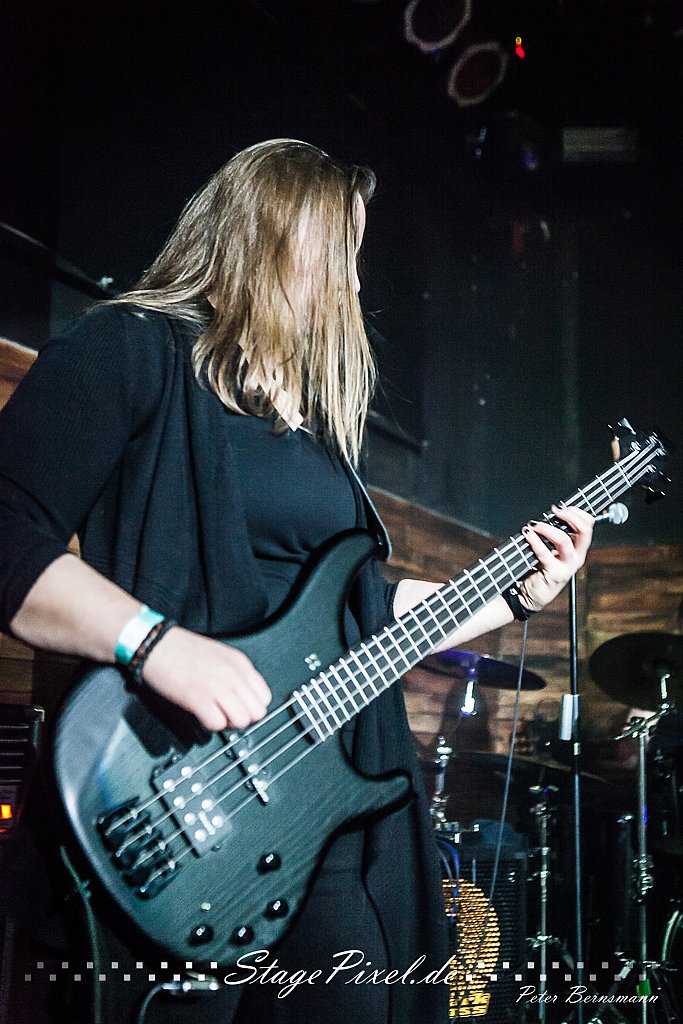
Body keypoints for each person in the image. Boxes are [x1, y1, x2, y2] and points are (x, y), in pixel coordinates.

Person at [0, 139, 594, 1024]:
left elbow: (363, 614)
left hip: (316, 812)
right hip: (180, 796)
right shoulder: (129, 347)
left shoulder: (315, 431)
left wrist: (511, 593)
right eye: (340, 251)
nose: (353, 282)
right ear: (270, 235)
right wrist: (156, 645)